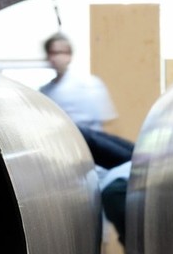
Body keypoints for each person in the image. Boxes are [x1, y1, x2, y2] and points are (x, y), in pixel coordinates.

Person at [39, 32, 134, 169]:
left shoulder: (88, 84)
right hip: (71, 146)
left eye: (61, 52)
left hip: (92, 142)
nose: (57, 57)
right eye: (53, 53)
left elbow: (105, 124)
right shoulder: (45, 93)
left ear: (70, 56)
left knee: (131, 152)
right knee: (80, 132)